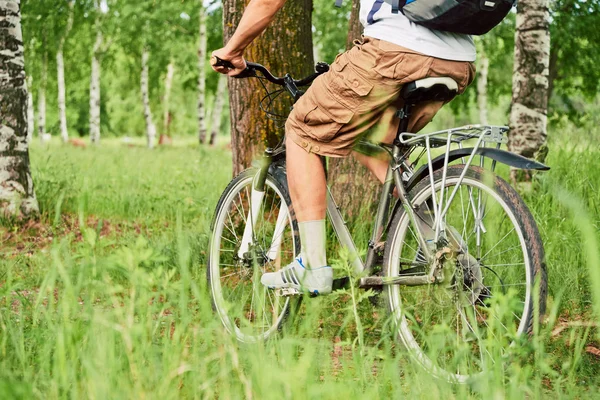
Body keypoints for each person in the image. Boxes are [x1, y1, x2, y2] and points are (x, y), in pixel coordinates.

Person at [211, 0, 476, 295]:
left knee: (301, 128)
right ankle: (442, 246)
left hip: (395, 51)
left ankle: (312, 267)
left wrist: (232, 49)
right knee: (375, 141)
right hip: (457, 60)